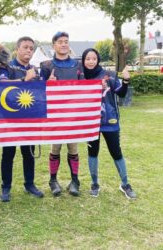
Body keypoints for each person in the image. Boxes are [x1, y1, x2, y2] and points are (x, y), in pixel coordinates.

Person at [81, 48, 137, 199]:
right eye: (87, 59)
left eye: (93, 58)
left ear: (98, 59)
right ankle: (94, 184)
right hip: (91, 123)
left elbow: (122, 93)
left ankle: (125, 184)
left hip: (110, 121)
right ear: (83, 61)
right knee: (92, 153)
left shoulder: (109, 75)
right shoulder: (80, 77)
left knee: (116, 152)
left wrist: (125, 80)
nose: (91, 61)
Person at [0, 36, 44, 202]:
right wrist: (25, 79)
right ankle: (6, 187)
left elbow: (40, 92)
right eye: (25, 47)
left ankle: (29, 183)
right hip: (9, 119)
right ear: (17, 49)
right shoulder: (6, 67)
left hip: (28, 119)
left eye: (31, 48)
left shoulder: (35, 69)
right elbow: (2, 85)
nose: (29, 51)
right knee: (8, 154)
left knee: (28, 153)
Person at [40, 31, 84, 197]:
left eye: (66, 41)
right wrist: (47, 84)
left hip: (73, 115)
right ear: (54, 45)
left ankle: (75, 180)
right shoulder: (46, 66)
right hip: (55, 115)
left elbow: (84, 88)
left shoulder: (77, 66)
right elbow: (38, 91)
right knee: (55, 148)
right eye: (60, 41)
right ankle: (53, 180)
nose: (64, 44)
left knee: (73, 148)